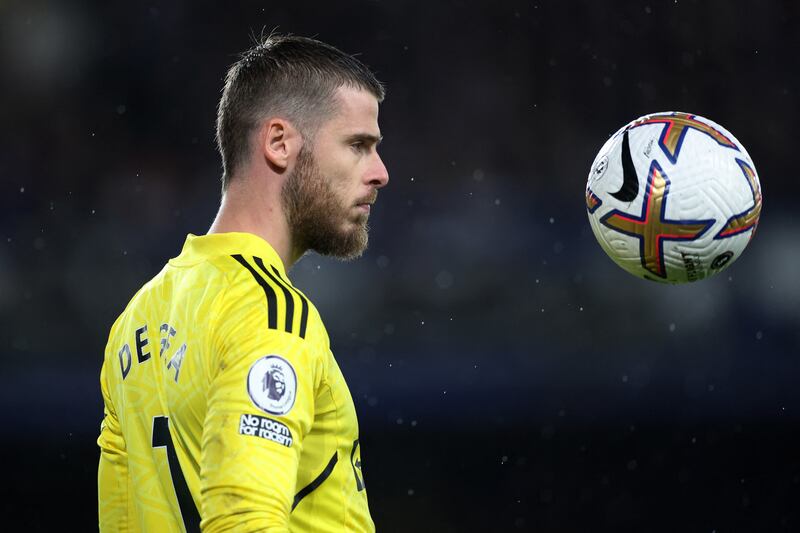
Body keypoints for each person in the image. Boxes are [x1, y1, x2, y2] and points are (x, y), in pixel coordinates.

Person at [97, 34, 389, 532]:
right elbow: (244, 522)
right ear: (279, 143)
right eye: (358, 145)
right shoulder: (271, 316)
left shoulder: (135, 321)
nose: (380, 173)